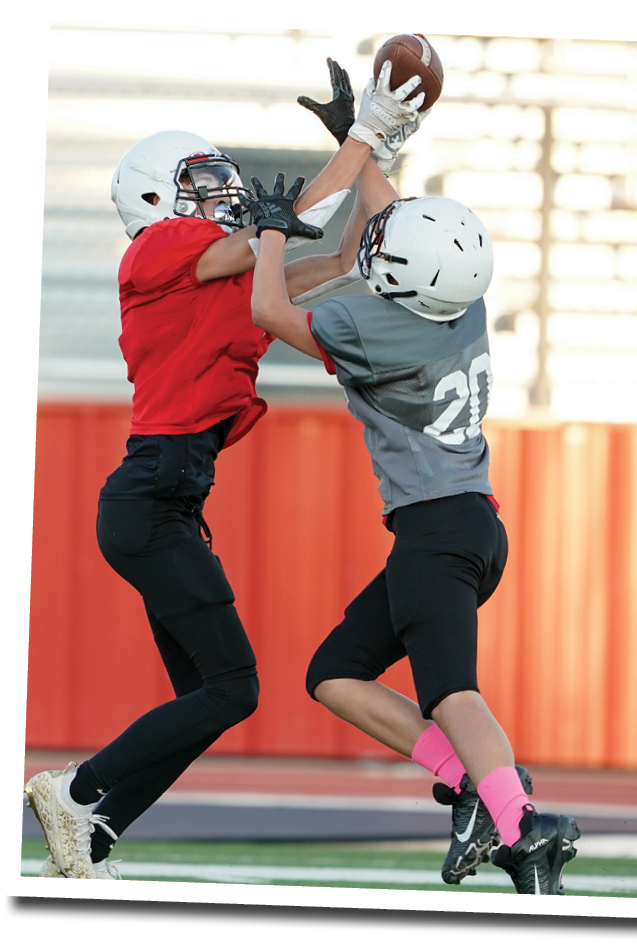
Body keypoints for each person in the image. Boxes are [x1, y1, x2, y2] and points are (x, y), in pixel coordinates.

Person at [23, 61, 426, 880]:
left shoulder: (227, 274)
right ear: (155, 200)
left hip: (167, 500)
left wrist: (378, 155)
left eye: (217, 182)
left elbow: (347, 251)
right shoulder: (160, 251)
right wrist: (359, 136)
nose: (220, 194)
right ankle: (77, 790)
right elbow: (288, 225)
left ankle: (91, 837)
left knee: (207, 697)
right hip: (153, 494)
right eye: (199, 183)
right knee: (233, 688)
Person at [246, 118, 582, 892]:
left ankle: (521, 821)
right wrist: (364, 145)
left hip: (436, 530)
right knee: (335, 673)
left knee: (451, 691)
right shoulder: (460, 303)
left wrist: (271, 234)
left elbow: (267, 310)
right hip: (467, 523)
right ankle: (472, 787)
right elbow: (402, 234)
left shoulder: (370, 328)